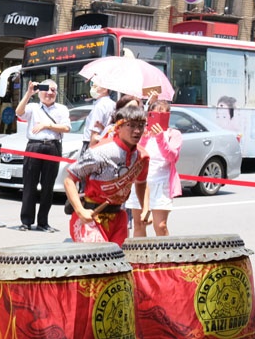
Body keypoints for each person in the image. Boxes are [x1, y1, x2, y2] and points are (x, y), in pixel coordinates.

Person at [64, 96, 149, 245]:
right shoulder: (100, 153)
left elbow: (141, 182)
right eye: (131, 125)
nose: (137, 131)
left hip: (119, 218)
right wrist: (80, 210)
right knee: (98, 263)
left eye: (141, 125)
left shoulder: (142, 157)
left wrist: (145, 207)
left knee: (119, 265)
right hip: (92, 218)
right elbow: (69, 179)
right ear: (118, 127)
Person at [15, 79, 70, 232]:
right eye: (46, 89)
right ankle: (26, 221)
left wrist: (47, 125)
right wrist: (28, 93)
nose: (50, 93)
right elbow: (19, 112)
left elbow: (66, 127)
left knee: (48, 186)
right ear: (39, 91)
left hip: (53, 147)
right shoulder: (32, 107)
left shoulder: (62, 109)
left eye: (53, 90)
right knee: (29, 185)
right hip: (34, 146)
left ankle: (43, 222)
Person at [127, 99, 181, 237]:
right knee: (139, 224)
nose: (160, 116)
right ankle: (139, 257)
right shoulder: (142, 133)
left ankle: (166, 257)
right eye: (156, 113)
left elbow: (172, 157)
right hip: (141, 182)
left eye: (164, 113)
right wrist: (143, 137)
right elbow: (135, 154)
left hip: (161, 183)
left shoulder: (173, 134)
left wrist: (160, 138)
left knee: (160, 226)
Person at [83, 84, 116, 149]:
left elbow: (95, 132)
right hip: (106, 141)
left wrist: (90, 151)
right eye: (92, 86)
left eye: (96, 86)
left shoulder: (100, 106)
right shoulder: (113, 104)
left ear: (105, 89)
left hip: (92, 142)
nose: (92, 88)